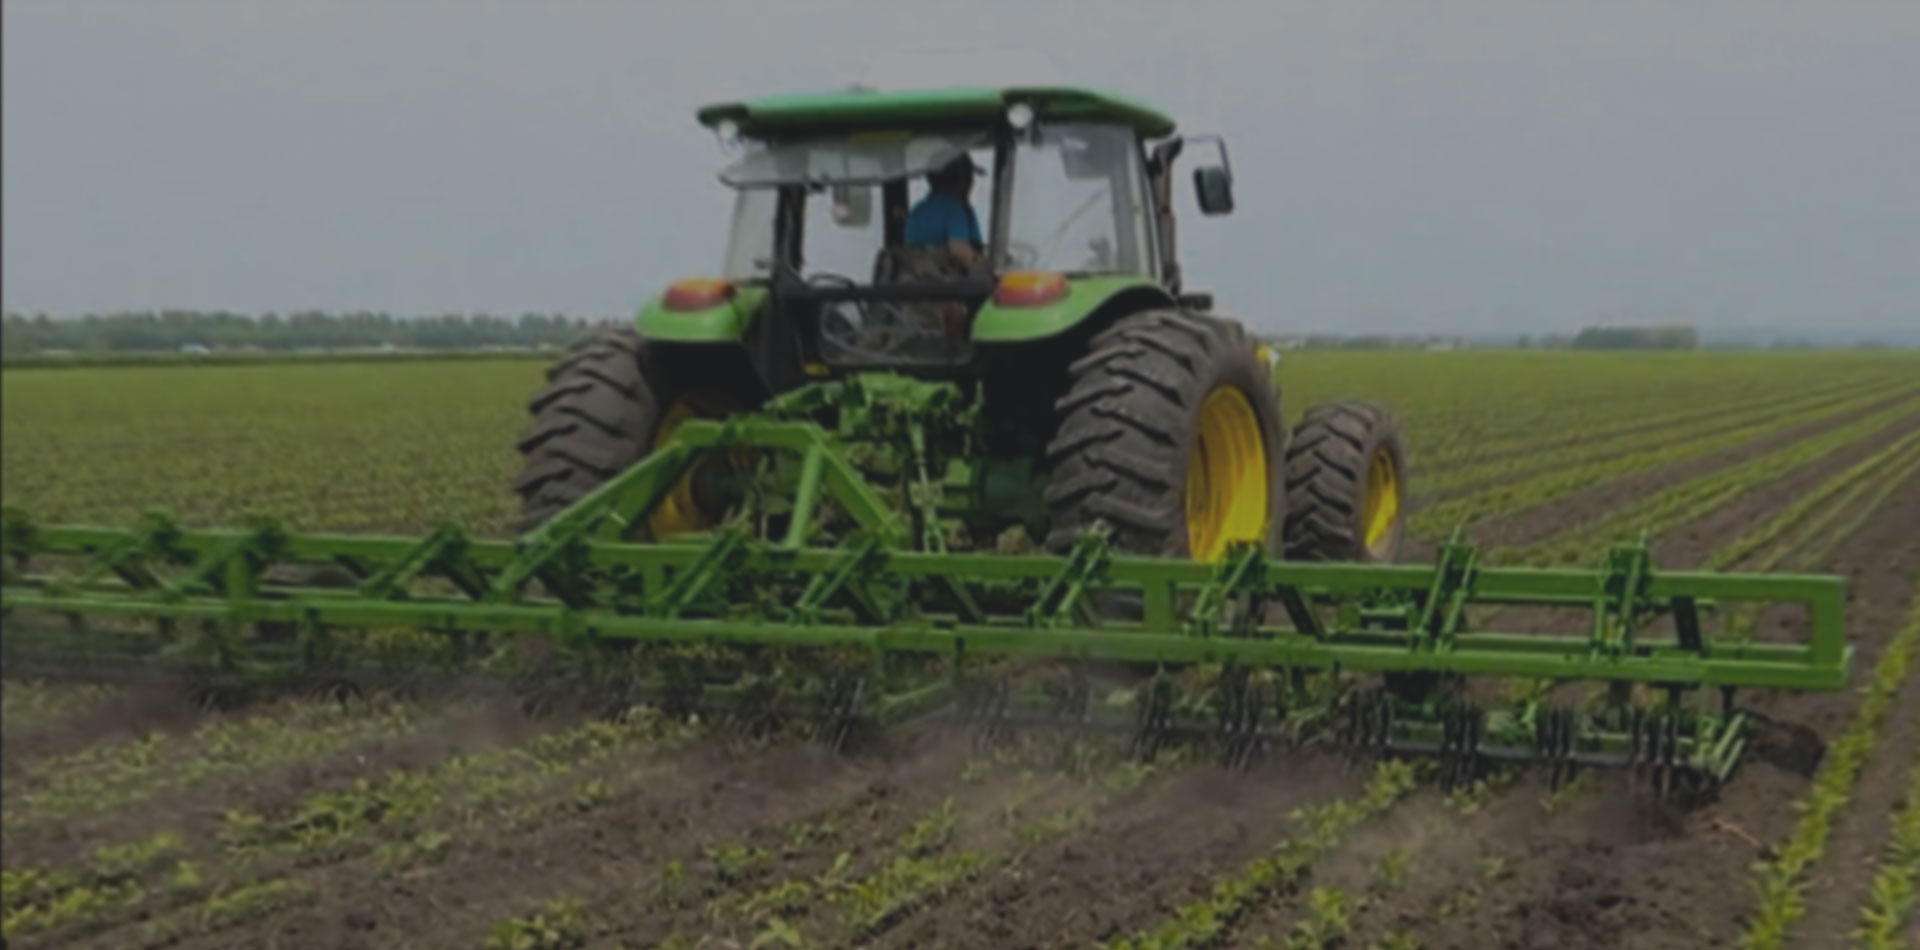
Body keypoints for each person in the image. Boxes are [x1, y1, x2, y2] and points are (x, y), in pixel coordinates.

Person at [903, 152, 984, 273]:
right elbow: (959, 251)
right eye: (970, 177)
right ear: (962, 179)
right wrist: (983, 272)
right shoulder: (954, 207)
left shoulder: (916, 211)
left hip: (918, 281)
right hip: (950, 282)